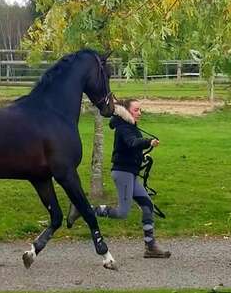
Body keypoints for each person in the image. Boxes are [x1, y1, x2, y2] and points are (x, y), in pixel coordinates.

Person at [67, 99, 171, 258]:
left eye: (140, 110)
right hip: (123, 173)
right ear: (127, 112)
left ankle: (150, 246)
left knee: (147, 205)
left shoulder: (130, 127)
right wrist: (147, 142)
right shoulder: (124, 128)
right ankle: (82, 209)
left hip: (129, 173)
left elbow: (131, 149)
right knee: (122, 212)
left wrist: (143, 156)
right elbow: (132, 143)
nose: (140, 113)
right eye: (136, 110)